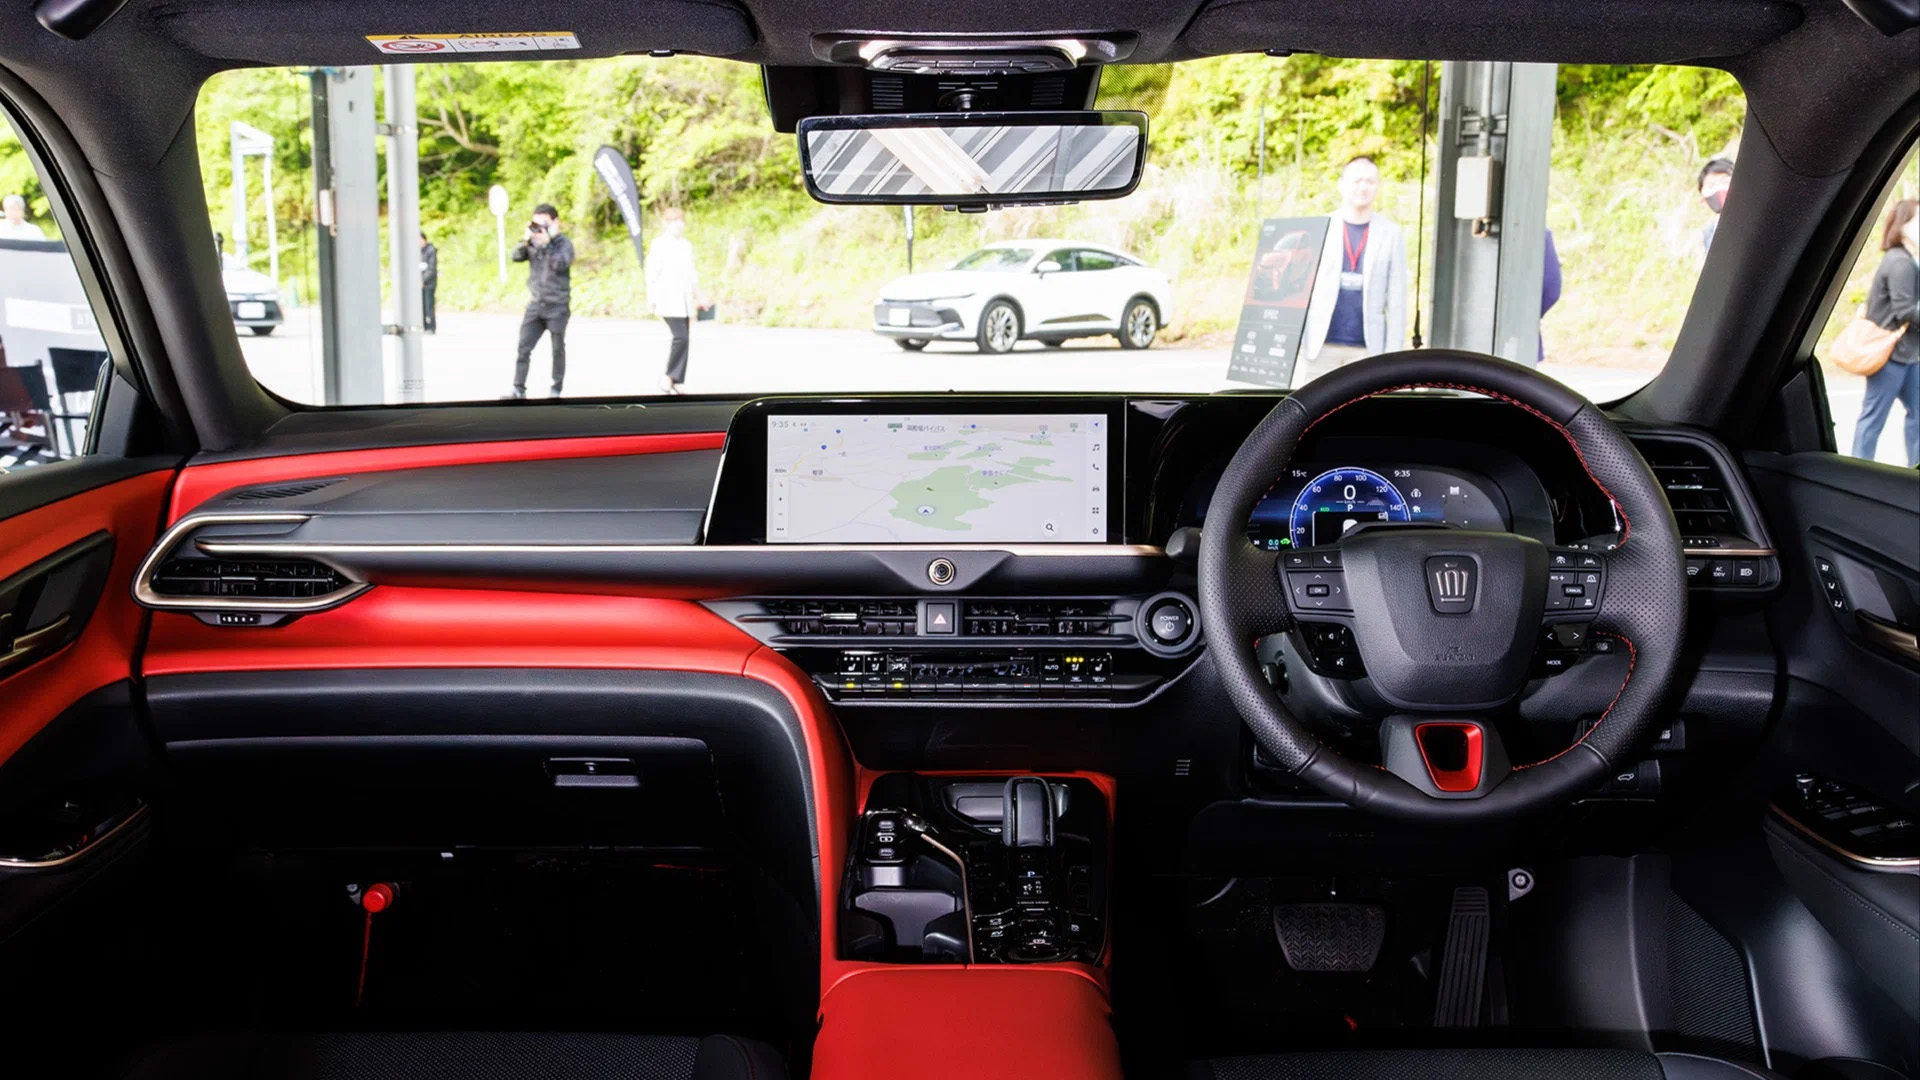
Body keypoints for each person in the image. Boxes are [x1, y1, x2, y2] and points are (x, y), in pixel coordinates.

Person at [1300, 156, 1409, 384]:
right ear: (1341, 184)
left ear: (1377, 186)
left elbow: (1397, 300)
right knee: (1315, 405)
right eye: (1357, 180)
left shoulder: (1391, 233)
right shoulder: (1320, 226)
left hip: (1367, 349)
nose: (1363, 187)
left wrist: (1394, 357)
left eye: (1370, 181)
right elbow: (1300, 287)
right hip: (1320, 346)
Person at [1852, 198, 1920, 466]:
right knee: (1873, 418)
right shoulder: (1900, 262)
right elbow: (1905, 310)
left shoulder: (1907, 259)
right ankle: (1858, 469)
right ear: (1903, 226)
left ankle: (1915, 468)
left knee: (1917, 415)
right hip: (1890, 356)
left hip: (1907, 355)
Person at [508, 203, 573, 398]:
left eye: (544, 223)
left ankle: (556, 389)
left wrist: (547, 244)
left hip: (557, 305)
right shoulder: (533, 242)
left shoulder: (563, 244)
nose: (540, 228)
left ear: (555, 222)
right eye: (536, 224)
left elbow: (560, 264)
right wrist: (526, 239)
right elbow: (515, 256)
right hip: (536, 304)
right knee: (523, 347)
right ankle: (518, 388)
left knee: (557, 349)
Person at [645, 207, 702, 395]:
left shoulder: (686, 245)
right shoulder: (659, 244)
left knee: (685, 338)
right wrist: (652, 298)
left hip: (684, 300)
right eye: (674, 221)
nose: (678, 225)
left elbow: (692, 274)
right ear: (666, 223)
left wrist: (699, 296)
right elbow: (652, 274)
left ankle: (677, 379)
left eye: (680, 221)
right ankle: (669, 376)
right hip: (668, 299)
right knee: (681, 337)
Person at [1698, 158, 1733, 253]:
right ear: (1703, 200)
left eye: (1725, 182)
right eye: (1711, 186)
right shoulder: (1708, 234)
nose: (1719, 188)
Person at [419, 230, 438, 335]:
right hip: (419, 284)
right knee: (421, 305)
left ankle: (431, 327)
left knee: (429, 305)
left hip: (429, 283)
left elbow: (431, 269)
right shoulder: (417, 251)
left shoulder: (431, 250)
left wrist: (423, 280)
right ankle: (424, 326)